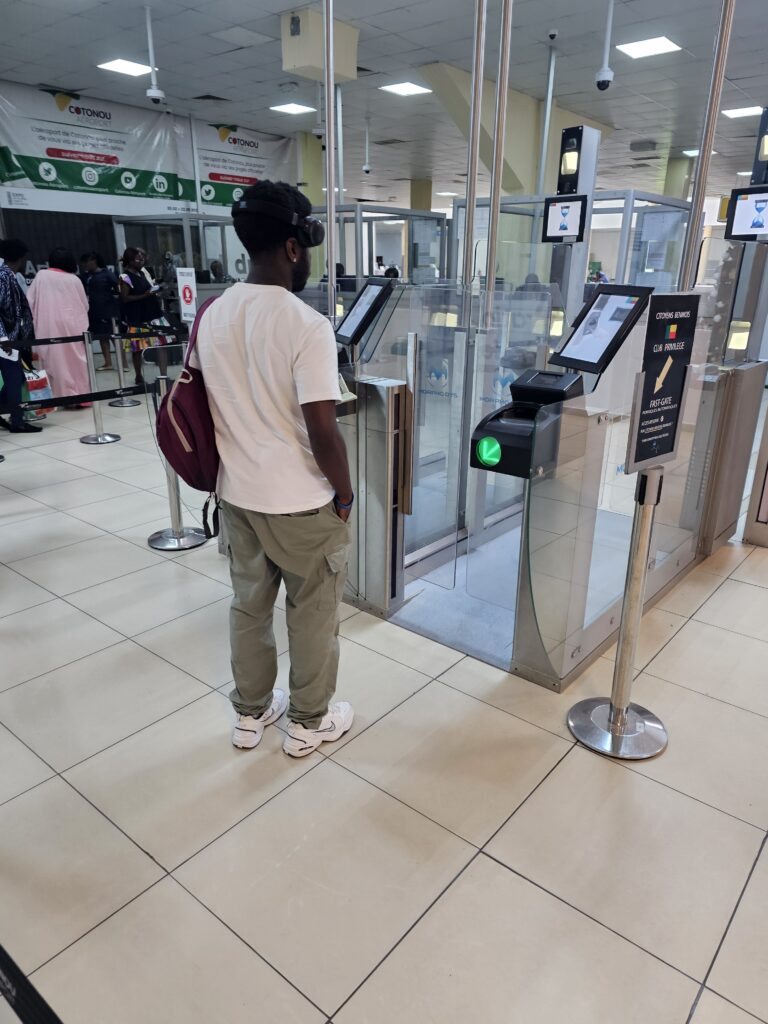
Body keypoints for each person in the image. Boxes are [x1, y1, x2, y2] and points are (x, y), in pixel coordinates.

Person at [193, 180, 354, 757]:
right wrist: (346, 493)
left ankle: (250, 714)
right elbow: (322, 430)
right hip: (301, 501)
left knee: (248, 606)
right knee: (312, 613)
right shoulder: (306, 325)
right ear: (293, 247)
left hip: (237, 496)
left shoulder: (212, 315)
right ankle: (308, 722)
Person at [28, 248, 89, 401]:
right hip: (73, 326)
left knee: (54, 361)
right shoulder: (74, 279)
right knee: (76, 361)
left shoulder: (42, 275)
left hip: (48, 326)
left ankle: (58, 397)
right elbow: (85, 305)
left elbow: (30, 301)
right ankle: (80, 396)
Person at [0, 238, 42, 434]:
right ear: (20, 257)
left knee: (16, 378)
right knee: (15, 378)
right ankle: (17, 421)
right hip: (7, 340)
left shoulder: (9, 275)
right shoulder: (3, 276)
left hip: (13, 337)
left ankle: (12, 415)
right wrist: (3, 338)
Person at [119, 247, 167, 385]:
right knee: (137, 348)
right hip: (138, 317)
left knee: (161, 344)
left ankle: (163, 375)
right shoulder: (125, 277)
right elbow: (125, 298)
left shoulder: (143, 273)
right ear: (129, 261)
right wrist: (144, 295)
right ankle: (139, 376)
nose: (142, 261)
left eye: (142, 259)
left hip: (153, 313)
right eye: (138, 259)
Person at [82, 252, 123, 371]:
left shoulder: (107, 273)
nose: (86, 264)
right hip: (94, 311)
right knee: (102, 337)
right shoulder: (86, 276)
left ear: (94, 261)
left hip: (108, 310)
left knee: (114, 336)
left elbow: (118, 287)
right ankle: (108, 363)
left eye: (88, 261)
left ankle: (123, 364)